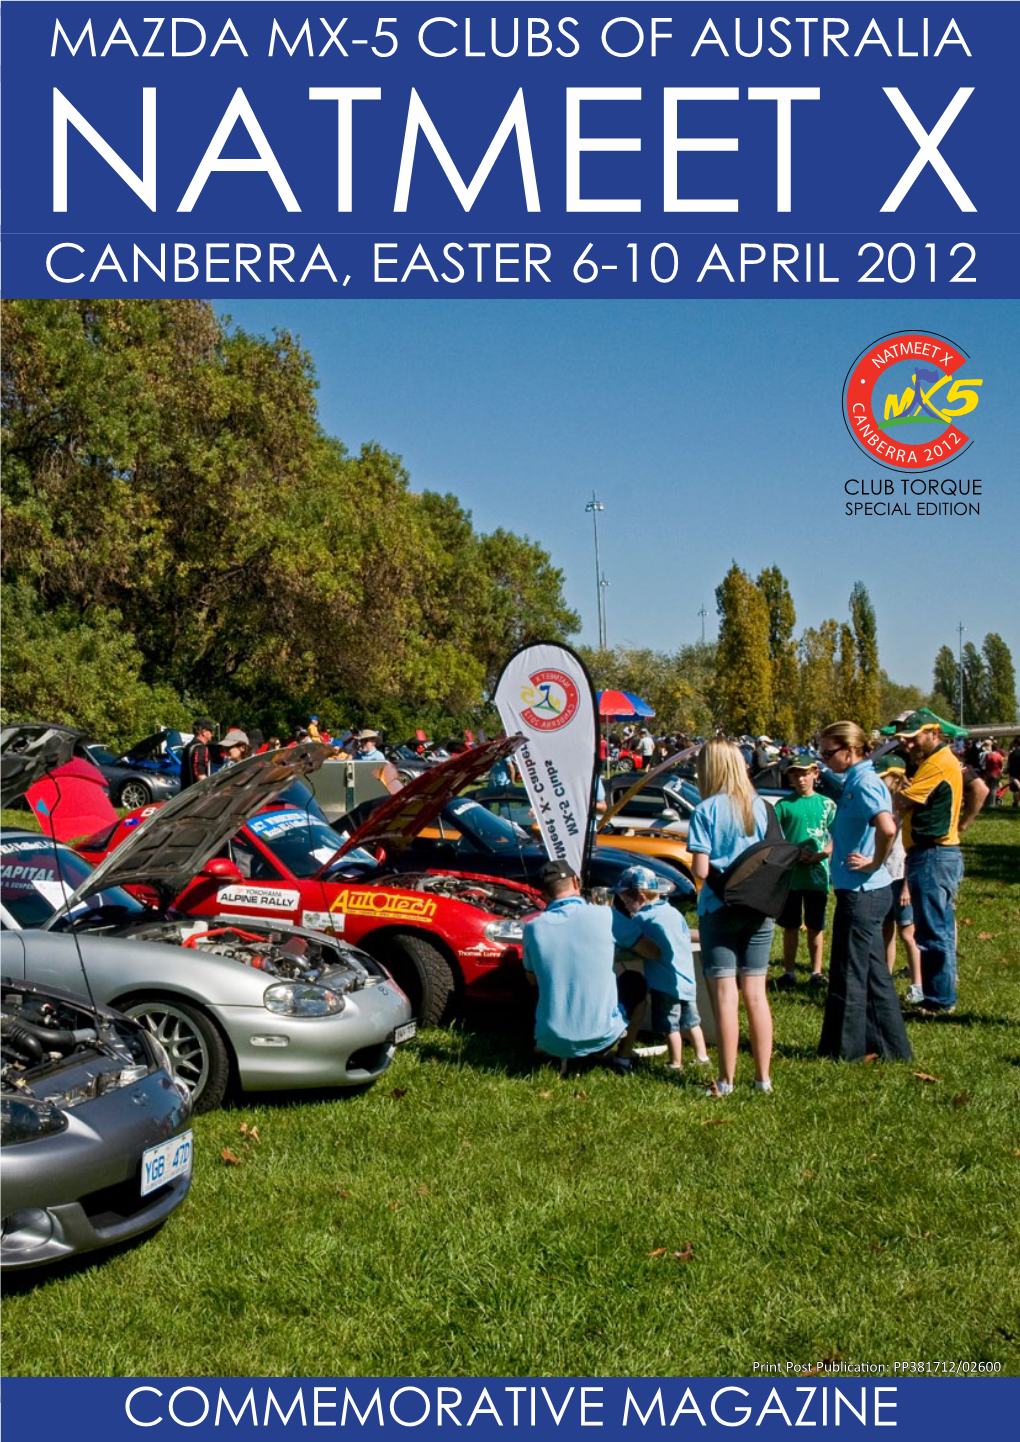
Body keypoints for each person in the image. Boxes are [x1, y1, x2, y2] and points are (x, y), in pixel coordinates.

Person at [817, 721, 911, 1062]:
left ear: (850, 749)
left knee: (849, 973)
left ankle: (846, 1053)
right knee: (873, 975)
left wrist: (874, 862)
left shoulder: (865, 782)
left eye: (829, 752)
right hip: (863, 892)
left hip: (863, 892)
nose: (824, 760)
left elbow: (887, 827)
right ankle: (892, 1049)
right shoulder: (855, 781)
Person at [687, 739, 775, 1094]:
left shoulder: (705, 810)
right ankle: (763, 1079)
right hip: (759, 908)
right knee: (756, 993)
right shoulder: (763, 807)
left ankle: (725, 1081)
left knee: (725, 996)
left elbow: (701, 868)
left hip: (719, 908)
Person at [522, 860, 646, 1075]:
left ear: (544, 895)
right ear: (575, 882)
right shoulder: (606, 915)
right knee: (635, 981)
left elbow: (532, 980)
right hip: (602, 1035)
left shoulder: (533, 928)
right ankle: (622, 1059)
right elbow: (652, 950)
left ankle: (560, 1050)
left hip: (551, 1039)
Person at [895, 710, 964, 1014]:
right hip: (942, 853)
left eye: (913, 739)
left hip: (932, 855)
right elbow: (978, 788)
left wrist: (893, 782)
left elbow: (902, 802)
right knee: (941, 928)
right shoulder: (943, 760)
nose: (908, 745)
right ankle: (942, 994)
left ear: (933, 733)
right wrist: (962, 824)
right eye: (905, 741)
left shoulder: (936, 763)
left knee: (932, 932)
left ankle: (938, 1001)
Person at [611, 865, 710, 1071]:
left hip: (663, 985)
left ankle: (675, 1062)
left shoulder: (643, 919)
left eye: (627, 901)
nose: (626, 907)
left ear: (641, 896)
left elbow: (632, 944)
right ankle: (702, 1056)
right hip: (687, 980)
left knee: (670, 1027)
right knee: (692, 1023)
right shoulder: (673, 912)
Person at [773, 758, 836, 990]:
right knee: (790, 925)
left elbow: (836, 837)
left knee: (815, 925)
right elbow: (774, 837)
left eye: (805, 774)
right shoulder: (784, 805)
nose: (800, 779)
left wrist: (822, 854)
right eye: (795, 774)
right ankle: (789, 972)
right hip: (791, 876)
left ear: (815, 774)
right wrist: (791, 853)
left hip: (817, 875)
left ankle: (816, 971)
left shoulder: (827, 805)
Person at [873, 755, 923, 1005]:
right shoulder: (884, 804)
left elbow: (908, 850)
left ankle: (917, 984)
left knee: (908, 933)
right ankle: (886, 978)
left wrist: (906, 886)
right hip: (883, 875)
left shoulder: (907, 807)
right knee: (886, 930)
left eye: (882, 777)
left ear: (895, 777)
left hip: (902, 877)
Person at [180, 719, 214, 790]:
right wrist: (211, 790)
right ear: (204, 732)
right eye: (210, 731)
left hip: (185, 791)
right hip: (197, 794)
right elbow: (200, 774)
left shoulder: (188, 746)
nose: (212, 734)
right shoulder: (201, 748)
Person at [1008, 737, 1020, 809]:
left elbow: (1009, 763)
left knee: (1015, 789)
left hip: (1014, 772)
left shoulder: (1012, 753)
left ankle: (1016, 802)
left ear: (1016, 744)